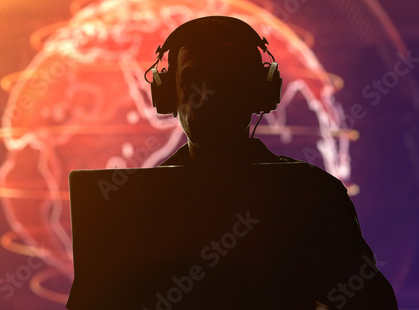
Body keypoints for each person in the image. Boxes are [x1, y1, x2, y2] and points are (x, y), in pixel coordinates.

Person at [145, 16, 398, 309]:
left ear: (260, 93)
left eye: (226, 79)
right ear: (167, 96)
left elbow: (371, 303)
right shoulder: (138, 203)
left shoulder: (313, 196)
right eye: (193, 79)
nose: (208, 95)